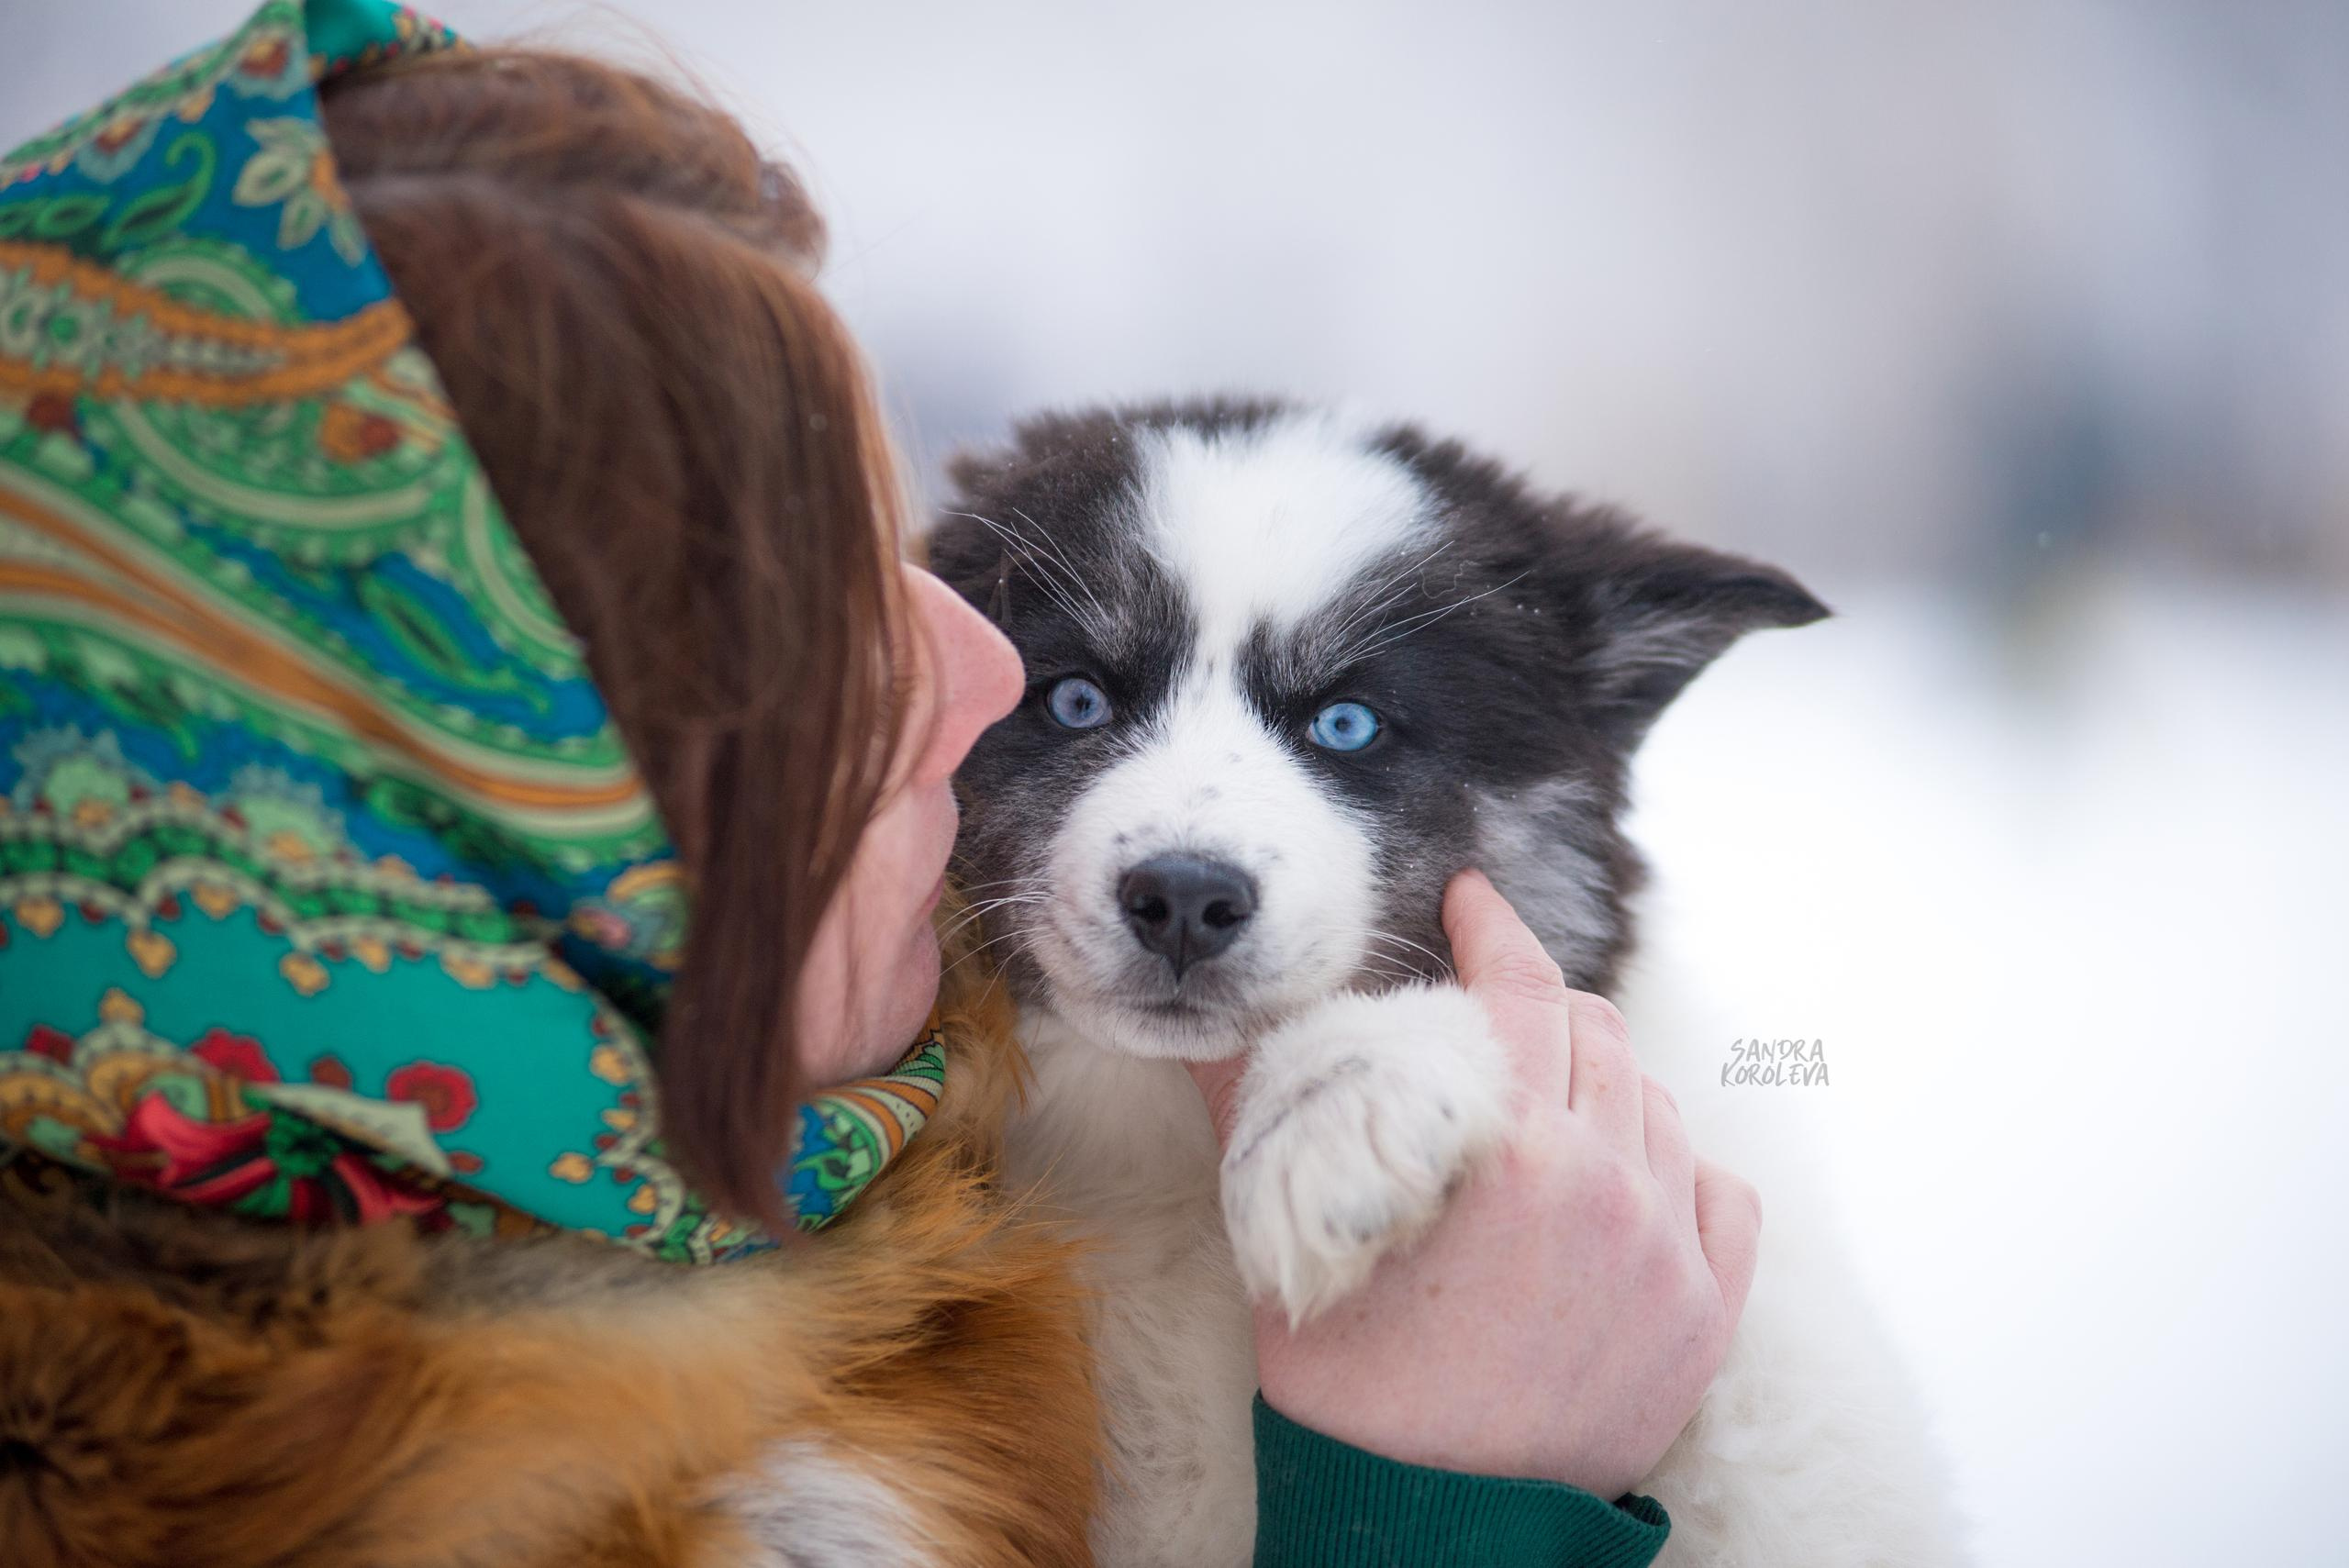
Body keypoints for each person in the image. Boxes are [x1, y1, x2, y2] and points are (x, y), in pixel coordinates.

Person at [0, 3, 1757, 1564]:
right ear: (452, 791)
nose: (983, 675)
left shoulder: (881, 1181)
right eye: (809, 604)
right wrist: (1438, 1509)